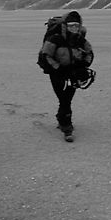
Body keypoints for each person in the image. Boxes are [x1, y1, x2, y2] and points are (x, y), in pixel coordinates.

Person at [40, 11, 94, 142]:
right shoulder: (55, 39)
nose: (74, 28)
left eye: (76, 25)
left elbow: (89, 53)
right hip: (57, 74)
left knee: (67, 99)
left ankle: (62, 119)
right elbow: (45, 56)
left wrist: (83, 66)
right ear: (65, 25)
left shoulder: (80, 39)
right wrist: (58, 69)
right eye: (71, 25)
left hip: (73, 73)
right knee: (64, 99)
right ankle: (67, 127)